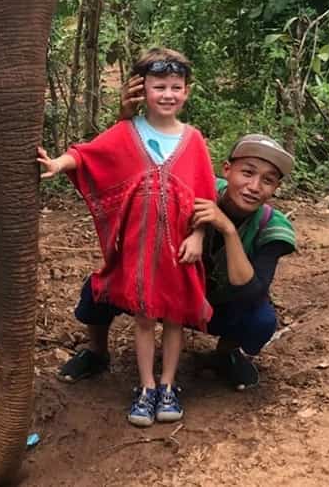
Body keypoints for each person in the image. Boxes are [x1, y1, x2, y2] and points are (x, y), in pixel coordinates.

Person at [58, 77, 296, 391]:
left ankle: (226, 354)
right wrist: (126, 121)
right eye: (247, 173)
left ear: (276, 188)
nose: (254, 187)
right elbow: (137, 170)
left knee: (260, 318)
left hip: (216, 304)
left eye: (267, 180)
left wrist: (226, 229)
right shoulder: (197, 187)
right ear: (227, 170)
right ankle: (97, 352)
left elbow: (251, 291)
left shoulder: (272, 228)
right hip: (163, 286)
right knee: (100, 287)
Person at [37, 48, 218, 427]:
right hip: (139, 252)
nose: (167, 94)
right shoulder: (126, 132)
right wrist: (57, 163)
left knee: (174, 319)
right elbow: (88, 156)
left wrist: (199, 236)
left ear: (187, 91)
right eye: (159, 87)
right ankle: (146, 386)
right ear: (142, 89)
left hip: (179, 251)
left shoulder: (194, 140)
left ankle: (169, 385)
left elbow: (205, 199)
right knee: (143, 318)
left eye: (175, 87)